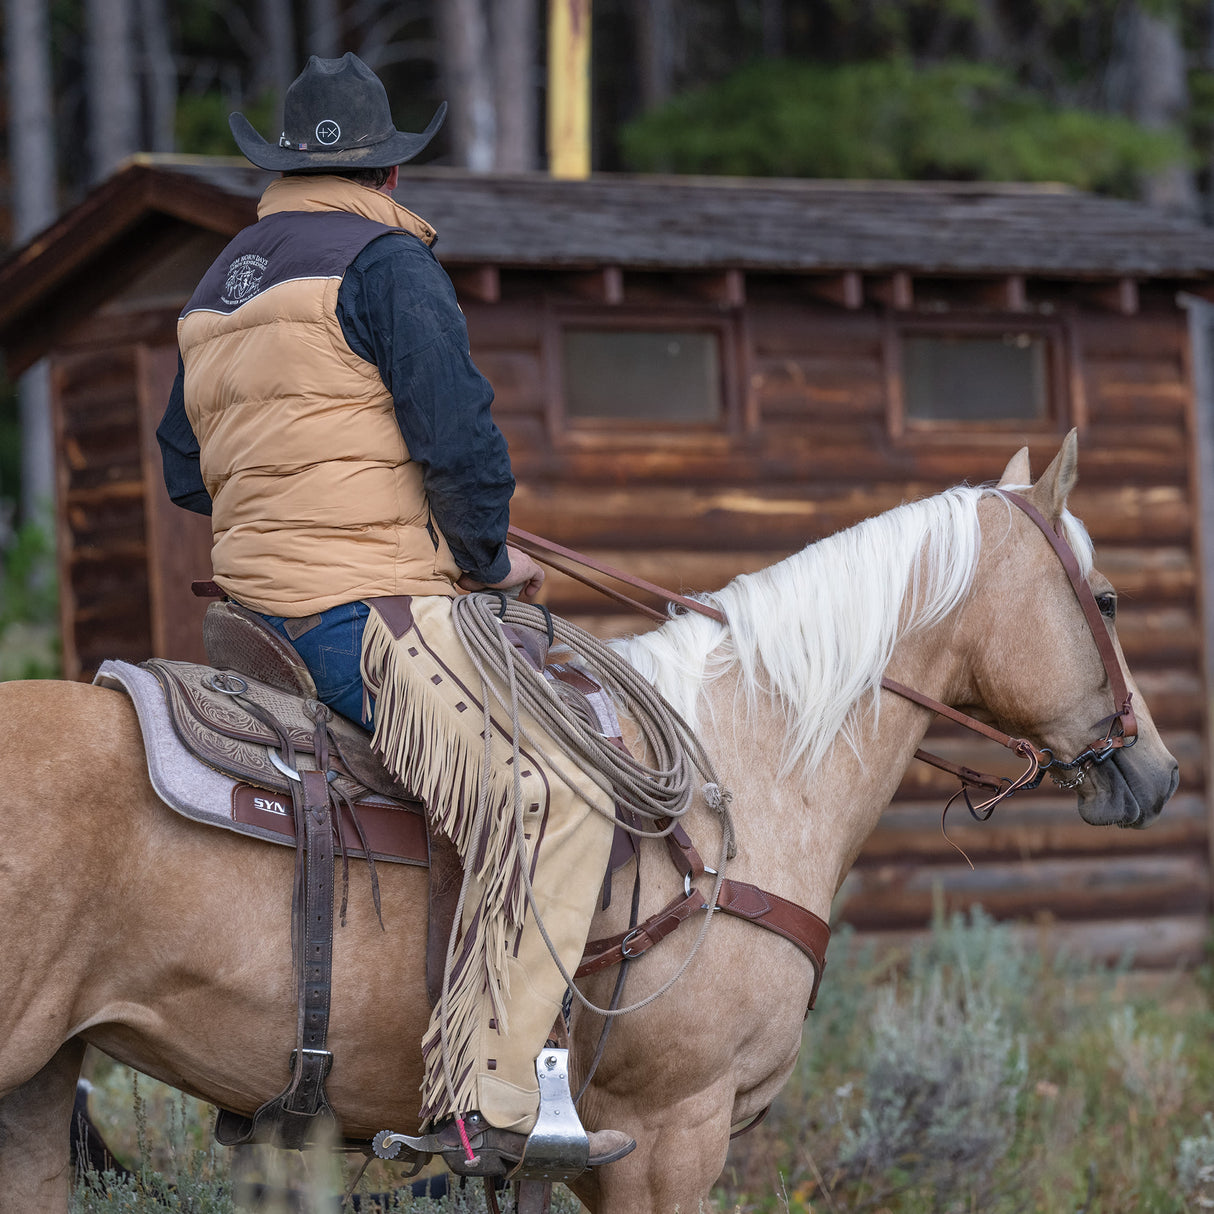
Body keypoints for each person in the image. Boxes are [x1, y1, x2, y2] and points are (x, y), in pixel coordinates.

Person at [156, 53, 632, 1172]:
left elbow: (188, 471)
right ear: (383, 164)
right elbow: (461, 446)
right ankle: (490, 1102)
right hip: (363, 607)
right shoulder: (386, 261)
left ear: (280, 163)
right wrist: (481, 560)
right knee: (558, 795)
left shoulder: (219, 284)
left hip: (255, 609)